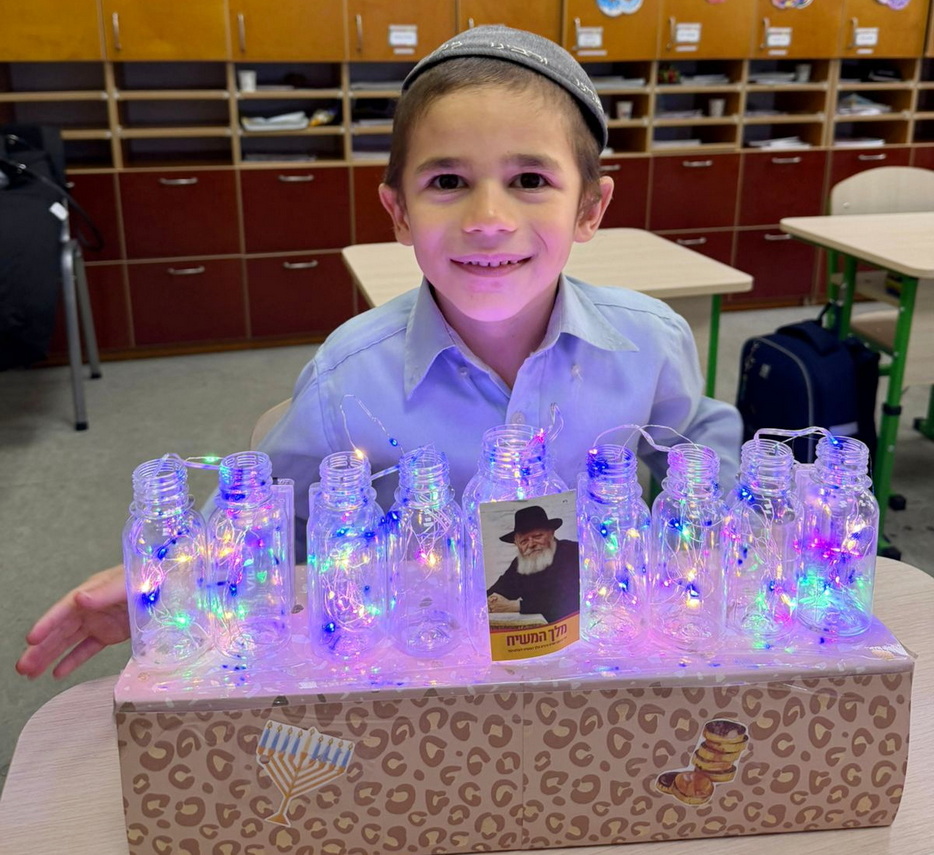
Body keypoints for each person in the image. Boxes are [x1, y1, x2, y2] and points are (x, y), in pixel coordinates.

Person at [16, 25, 741, 681]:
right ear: (398, 212)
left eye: (530, 180)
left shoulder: (649, 341)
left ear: (590, 208)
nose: (489, 219)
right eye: (447, 182)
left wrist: (724, 533)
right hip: (426, 678)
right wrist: (177, 578)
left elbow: (700, 438)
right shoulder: (349, 377)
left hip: (597, 667)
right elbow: (262, 517)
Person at [487, 505, 580, 624]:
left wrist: (515, 606)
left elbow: (569, 598)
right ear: (516, 544)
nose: (531, 544)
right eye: (524, 541)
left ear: (551, 533)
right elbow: (500, 590)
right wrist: (491, 600)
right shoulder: (520, 563)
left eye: (537, 536)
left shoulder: (572, 551)